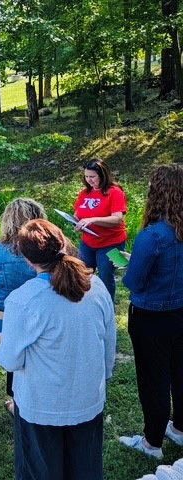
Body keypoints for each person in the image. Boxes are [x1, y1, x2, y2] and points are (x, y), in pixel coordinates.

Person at [0, 219, 116, 480]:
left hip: (41, 406)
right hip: (88, 398)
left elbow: (10, 360)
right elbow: (109, 342)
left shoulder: (23, 300)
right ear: (63, 243)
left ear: (27, 259)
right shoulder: (97, 287)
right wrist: (103, 377)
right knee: (86, 470)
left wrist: (3, 340)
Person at [119, 165, 183, 460]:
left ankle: (152, 442)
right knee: (180, 372)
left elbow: (134, 281)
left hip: (150, 317)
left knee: (153, 378)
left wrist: (132, 265)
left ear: (157, 193)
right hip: (179, 312)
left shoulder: (153, 235)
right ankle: (179, 428)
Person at [0, 198, 46, 414]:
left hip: (5, 315)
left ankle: (17, 401)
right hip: (41, 312)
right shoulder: (45, 251)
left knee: (14, 355)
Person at [73, 158, 127, 300]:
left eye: (92, 176)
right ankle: (85, 303)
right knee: (82, 274)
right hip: (88, 242)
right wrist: (77, 222)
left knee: (106, 277)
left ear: (103, 175)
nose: (89, 180)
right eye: (86, 176)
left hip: (112, 243)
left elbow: (117, 218)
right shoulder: (85, 193)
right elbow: (78, 213)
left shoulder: (115, 192)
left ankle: (108, 308)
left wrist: (92, 220)